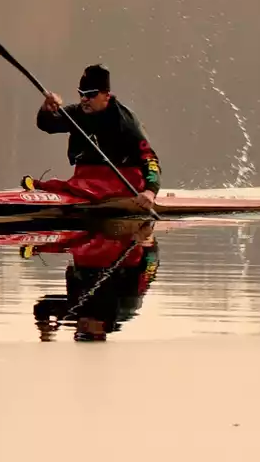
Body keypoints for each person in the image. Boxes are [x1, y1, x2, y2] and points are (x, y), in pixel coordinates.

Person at [27, 62, 160, 211]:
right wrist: (47, 108)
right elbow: (47, 125)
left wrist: (150, 191)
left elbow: (149, 159)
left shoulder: (125, 121)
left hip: (120, 181)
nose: (84, 99)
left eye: (90, 94)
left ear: (106, 96)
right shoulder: (76, 113)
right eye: (81, 93)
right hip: (85, 180)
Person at [31, 220, 160, 342]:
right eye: (87, 331)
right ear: (102, 331)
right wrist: (149, 243)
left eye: (78, 331)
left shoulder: (75, 313)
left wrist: (44, 328)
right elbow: (149, 272)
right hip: (123, 247)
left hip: (87, 248)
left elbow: (44, 306)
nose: (81, 326)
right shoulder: (126, 307)